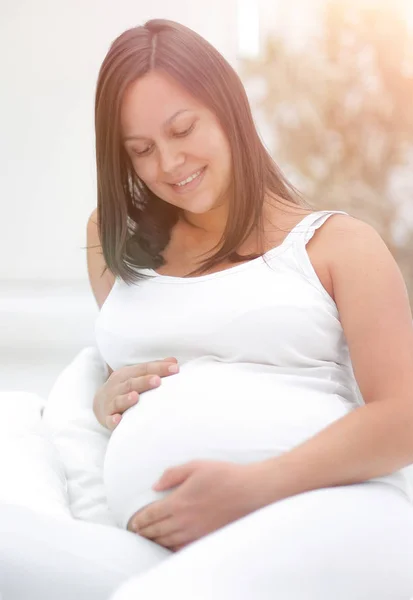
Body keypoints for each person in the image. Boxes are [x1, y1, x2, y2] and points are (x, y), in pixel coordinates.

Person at [2, 18, 413, 600]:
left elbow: (404, 418)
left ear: (229, 109)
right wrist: (106, 398)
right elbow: (124, 364)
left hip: (328, 513)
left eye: (183, 129)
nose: (169, 164)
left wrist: (253, 486)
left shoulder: (338, 247)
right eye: (141, 150)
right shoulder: (113, 243)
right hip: (160, 548)